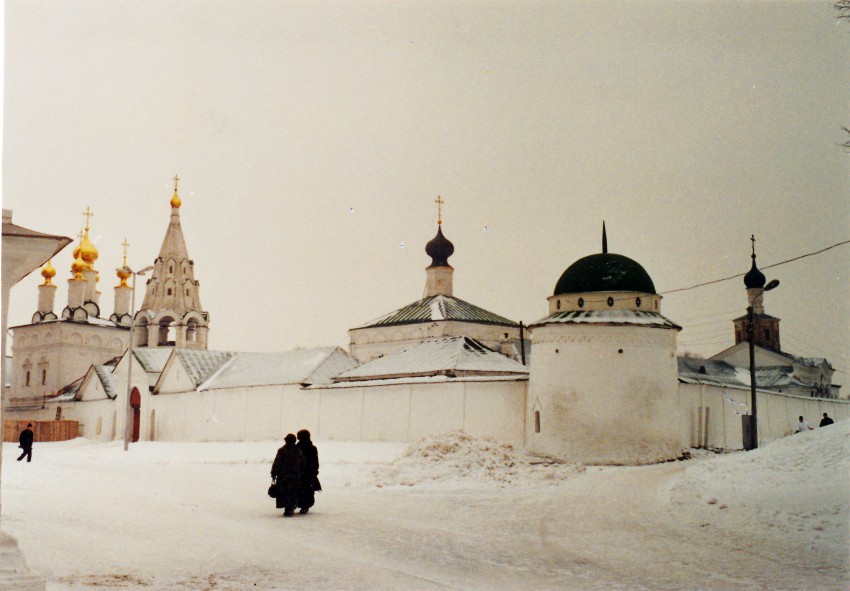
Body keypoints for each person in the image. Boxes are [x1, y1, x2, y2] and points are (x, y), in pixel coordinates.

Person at [271, 433, 304, 517]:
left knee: (285, 492)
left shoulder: (282, 450)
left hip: (283, 476)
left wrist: (274, 474)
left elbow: (277, 463)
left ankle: (287, 508)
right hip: (296, 476)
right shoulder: (298, 450)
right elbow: (303, 463)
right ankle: (291, 506)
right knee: (293, 491)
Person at [296, 429, 320, 514]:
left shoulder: (297, 447)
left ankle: (300, 504)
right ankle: (305, 505)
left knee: (299, 489)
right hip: (309, 472)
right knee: (308, 490)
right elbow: (315, 461)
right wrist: (314, 471)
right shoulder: (312, 448)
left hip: (300, 472)